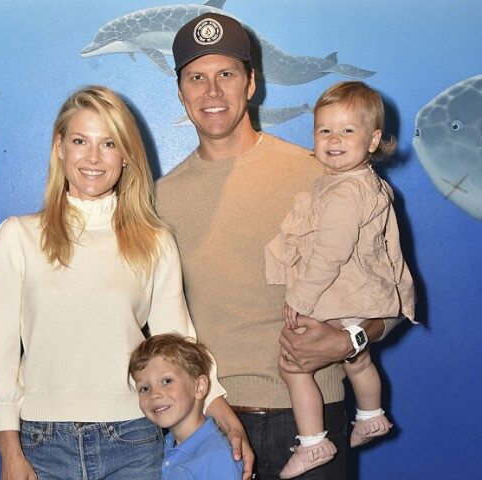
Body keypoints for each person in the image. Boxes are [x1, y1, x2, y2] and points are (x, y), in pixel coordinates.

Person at [155, 13, 405, 479]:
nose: (212, 92)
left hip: (316, 426)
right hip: (211, 427)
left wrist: (348, 340)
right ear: (181, 91)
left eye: (226, 74)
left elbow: (389, 292)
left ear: (251, 83)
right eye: (197, 77)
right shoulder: (160, 198)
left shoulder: (325, 175)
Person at [0, 85, 250, 480]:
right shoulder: (18, 235)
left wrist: (219, 407)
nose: (92, 157)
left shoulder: (155, 240)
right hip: (41, 442)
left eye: (108, 143)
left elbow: (178, 340)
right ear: (60, 147)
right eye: (80, 141)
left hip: (134, 439)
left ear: (125, 156)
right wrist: (9, 450)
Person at [264, 81, 416, 478]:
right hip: (363, 299)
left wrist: (299, 298)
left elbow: (329, 253)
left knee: (293, 366)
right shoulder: (359, 182)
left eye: (347, 130)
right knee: (357, 358)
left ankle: (313, 442)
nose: (333, 139)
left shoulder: (344, 192)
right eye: (324, 130)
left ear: (373, 140)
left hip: (344, 297)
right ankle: (371, 416)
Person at [129, 333, 244, 479]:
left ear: (199, 387)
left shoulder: (215, 456)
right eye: (144, 388)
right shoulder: (169, 444)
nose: (154, 394)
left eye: (167, 381)